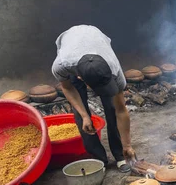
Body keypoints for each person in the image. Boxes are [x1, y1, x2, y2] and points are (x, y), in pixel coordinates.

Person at [51, 25, 136, 171]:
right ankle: (98, 158)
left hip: (96, 39)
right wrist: (85, 115)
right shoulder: (62, 65)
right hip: (72, 51)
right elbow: (67, 87)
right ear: (81, 77)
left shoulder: (114, 69)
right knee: (80, 115)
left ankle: (120, 155)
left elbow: (121, 110)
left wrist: (127, 145)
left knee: (112, 106)